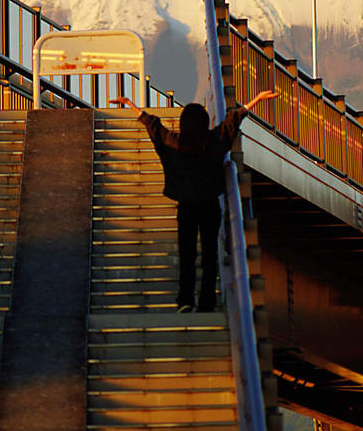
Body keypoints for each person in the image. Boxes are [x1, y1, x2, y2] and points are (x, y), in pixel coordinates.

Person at [110, 90, 278, 312]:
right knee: (210, 255)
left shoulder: (174, 144)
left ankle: (185, 300)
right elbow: (233, 121)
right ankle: (207, 302)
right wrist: (255, 99)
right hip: (209, 206)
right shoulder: (214, 142)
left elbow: (155, 128)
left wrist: (130, 103)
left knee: (187, 254)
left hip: (186, 207)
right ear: (204, 123)